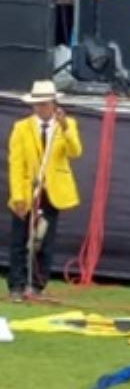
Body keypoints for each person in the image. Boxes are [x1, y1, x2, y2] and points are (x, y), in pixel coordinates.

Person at [6, 81, 81, 302]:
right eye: (37, 104)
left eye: (45, 103)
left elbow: (75, 151)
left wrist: (66, 127)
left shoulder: (67, 125)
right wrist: (18, 197)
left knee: (45, 241)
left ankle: (38, 285)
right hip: (28, 191)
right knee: (20, 240)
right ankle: (17, 286)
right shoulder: (21, 128)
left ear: (53, 104)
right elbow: (16, 164)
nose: (41, 108)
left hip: (52, 193)